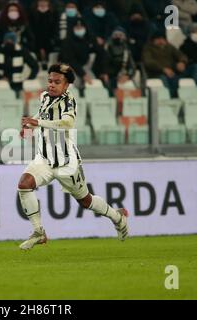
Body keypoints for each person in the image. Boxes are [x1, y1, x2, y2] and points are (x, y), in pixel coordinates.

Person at [17, 63, 129, 250]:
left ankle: (118, 217)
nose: (51, 84)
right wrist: (29, 125)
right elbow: (42, 114)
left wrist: (37, 122)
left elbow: (67, 123)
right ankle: (39, 232)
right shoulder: (44, 96)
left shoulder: (70, 101)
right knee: (24, 184)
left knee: (86, 200)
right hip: (44, 159)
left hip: (66, 162)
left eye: (57, 82)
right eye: (50, 80)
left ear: (66, 85)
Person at [142, 31, 197, 97]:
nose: (161, 41)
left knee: (195, 68)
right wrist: (163, 69)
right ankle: (171, 98)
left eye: (162, 39)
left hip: (174, 72)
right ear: (153, 40)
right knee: (164, 80)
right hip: (158, 73)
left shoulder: (169, 47)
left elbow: (181, 55)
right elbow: (148, 62)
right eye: (158, 39)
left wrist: (182, 62)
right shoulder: (148, 49)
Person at [59, 20, 109, 87]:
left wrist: (104, 71)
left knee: (94, 84)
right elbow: (70, 60)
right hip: (68, 68)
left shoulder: (89, 39)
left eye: (81, 27)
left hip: (84, 67)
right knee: (72, 84)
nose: (79, 30)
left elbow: (102, 53)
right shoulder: (67, 41)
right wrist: (83, 75)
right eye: (77, 28)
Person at [28, 0, 59, 69]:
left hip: (50, 39)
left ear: (48, 2)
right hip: (36, 39)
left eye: (45, 1)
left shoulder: (54, 12)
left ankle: (45, 61)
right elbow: (30, 28)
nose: (43, 3)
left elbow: (55, 28)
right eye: (41, 1)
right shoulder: (31, 13)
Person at [105, 27, 137, 91]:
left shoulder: (127, 49)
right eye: (116, 35)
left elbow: (132, 66)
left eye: (120, 35)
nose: (118, 37)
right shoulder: (106, 48)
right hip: (110, 77)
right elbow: (104, 64)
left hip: (124, 76)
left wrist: (128, 75)